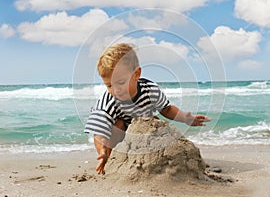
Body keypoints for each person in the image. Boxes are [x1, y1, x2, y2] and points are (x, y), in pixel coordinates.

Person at [84, 43, 210, 174]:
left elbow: (166, 109)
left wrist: (185, 118)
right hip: (121, 137)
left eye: (121, 82)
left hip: (143, 134)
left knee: (155, 121)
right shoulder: (108, 102)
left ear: (136, 74)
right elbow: (99, 132)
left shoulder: (149, 90)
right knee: (118, 125)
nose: (116, 90)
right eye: (109, 85)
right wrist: (103, 150)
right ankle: (111, 162)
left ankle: (157, 161)